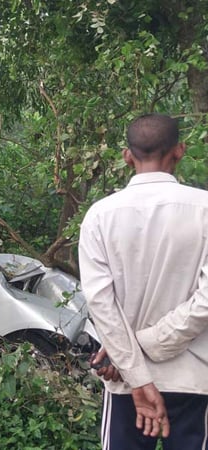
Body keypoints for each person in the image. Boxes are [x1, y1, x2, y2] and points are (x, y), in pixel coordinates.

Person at [79, 113, 208, 448]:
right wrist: (147, 344)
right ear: (180, 150)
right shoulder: (205, 210)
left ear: (127, 155)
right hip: (192, 378)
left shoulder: (100, 216)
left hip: (126, 380)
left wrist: (134, 362)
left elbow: (100, 304)